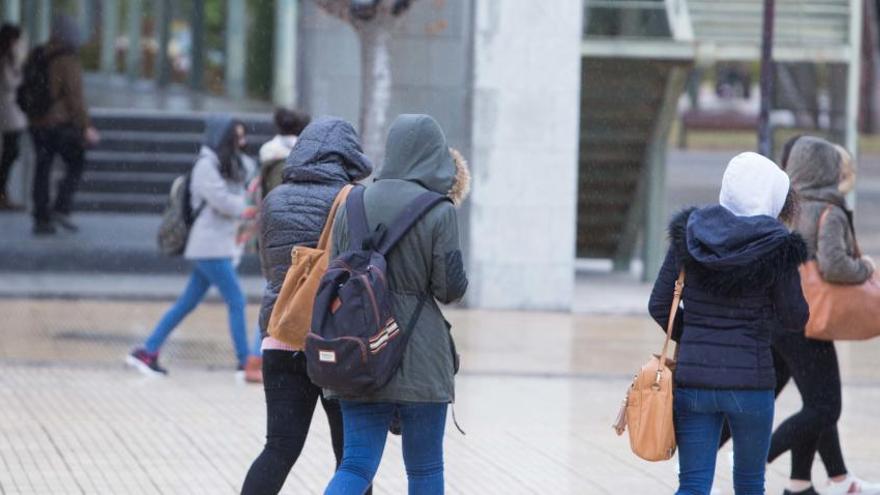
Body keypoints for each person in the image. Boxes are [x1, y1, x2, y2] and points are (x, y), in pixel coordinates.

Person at [323, 114, 470, 495]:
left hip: (360, 349)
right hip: (422, 356)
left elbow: (333, 273)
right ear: (435, 155)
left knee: (355, 465)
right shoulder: (439, 210)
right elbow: (449, 289)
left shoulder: (351, 203)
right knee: (424, 469)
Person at [649, 151, 809, 495]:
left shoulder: (690, 234)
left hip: (694, 382)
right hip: (751, 386)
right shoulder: (778, 246)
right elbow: (796, 317)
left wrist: (692, 336)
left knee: (692, 485)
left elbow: (660, 304)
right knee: (750, 485)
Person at [240, 117, 373, 494]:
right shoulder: (353, 200)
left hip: (282, 335)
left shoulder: (274, 199)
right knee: (351, 457)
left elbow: (271, 270)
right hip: (336, 342)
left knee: (279, 448)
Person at [767, 136, 879, 495]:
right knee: (824, 406)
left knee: (804, 400)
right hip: (811, 321)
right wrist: (864, 266)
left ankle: (800, 484)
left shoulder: (786, 208)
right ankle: (754, 457)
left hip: (781, 315)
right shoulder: (828, 211)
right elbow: (834, 266)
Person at [127, 115, 250, 379]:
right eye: (238, 136)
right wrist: (249, 207)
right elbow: (223, 202)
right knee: (237, 301)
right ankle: (245, 361)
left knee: (187, 303)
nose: (243, 141)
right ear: (225, 138)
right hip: (209, 247)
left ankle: (147, 351)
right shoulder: (207, 165)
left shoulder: (223, 164)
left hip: (215, 245)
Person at [241, 107, 311, 384]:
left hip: (271, 234)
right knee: (278, 295)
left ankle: (258, 356)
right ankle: (255, 358)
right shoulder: (291, 161)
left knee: (275, 292)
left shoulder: (270, 156)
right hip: (288, 236)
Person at [27, 16, 100, 234]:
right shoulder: (68, 59)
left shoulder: (38, 53)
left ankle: (41, 218)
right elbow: (74, 98)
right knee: (76, 161)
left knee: (42, 168)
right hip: (58, 123)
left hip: (36, 121)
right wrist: (86, 125)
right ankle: (61, 206)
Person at [0, 23, 25, 210]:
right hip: (7, 110)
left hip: (9, 111)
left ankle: (3, 193)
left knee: (10, 152)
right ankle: (3, 194)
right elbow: (10, 82)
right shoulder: (5, 58)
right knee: (10, 152)